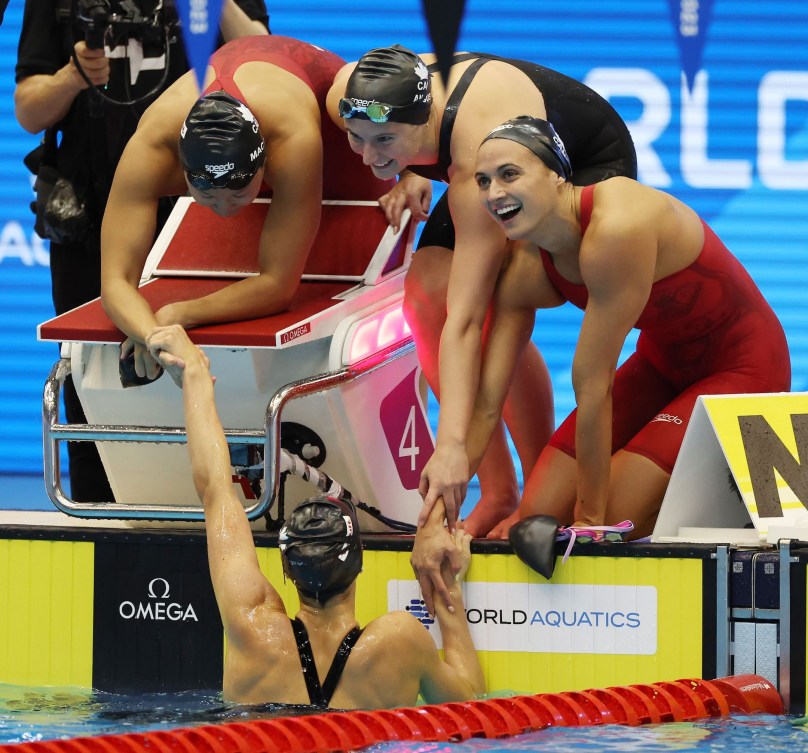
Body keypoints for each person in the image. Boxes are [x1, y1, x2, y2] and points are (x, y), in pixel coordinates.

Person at [417, 116, 789, 603]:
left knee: (606, 519)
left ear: (557, 176)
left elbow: (592, 390)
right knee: (536, 515)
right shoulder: (527, 263)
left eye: (510, 174)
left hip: (743, 366)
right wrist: (438, 515)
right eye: (483, 181)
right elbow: (490, 400)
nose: (493, 193)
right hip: (662, 364)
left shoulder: (617, 226)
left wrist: (592, 527)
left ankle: (739, 494)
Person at [327, 45, 637, 538]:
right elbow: (387, 128)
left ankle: (542, 493)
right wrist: (406, 166)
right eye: (356, 139)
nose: (369, 157)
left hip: (580, 163)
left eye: (384, 139)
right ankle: (497, 492)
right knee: (424, 296)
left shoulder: (476, 156)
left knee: (496, 300)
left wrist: (449, 446)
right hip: (468, 154)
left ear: (424, 119)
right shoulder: (346, 93)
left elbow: (467, 319)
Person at [145, 323, 485, 708]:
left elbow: (216, 490)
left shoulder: (251, 625)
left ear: (287, 572)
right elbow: (472, 707)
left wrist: (195, 373)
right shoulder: (400, 642)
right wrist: (448, 591)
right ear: (359, 565)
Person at [14, 0, 269, 501]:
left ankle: (223, 505)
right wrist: (73, 77)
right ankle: (96, 521)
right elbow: (28, 109)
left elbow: (258, 50)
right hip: (90, 216)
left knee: (221, 373)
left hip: (198, 217)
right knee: (90, 383)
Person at [101, 35, 391, 387]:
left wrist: (179, 313)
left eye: (239, 192)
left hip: (330, 111)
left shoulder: (291, 139)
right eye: (207, 195)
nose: (225, 208)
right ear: (181, 170)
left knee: (366, 254)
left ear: (265, 164)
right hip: (254, 93)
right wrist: (154, 334)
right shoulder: (152, 145)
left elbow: (278, 286)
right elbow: (114, 282)